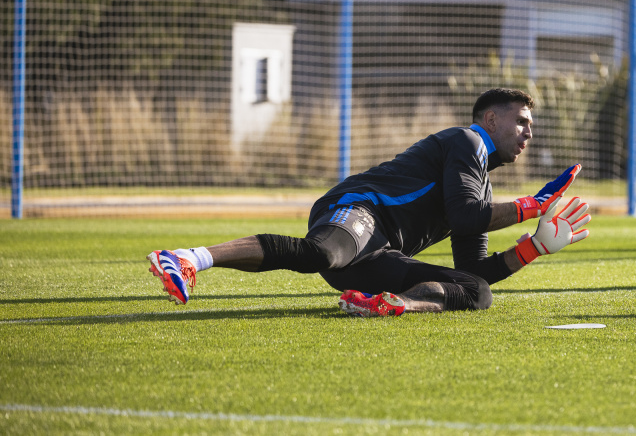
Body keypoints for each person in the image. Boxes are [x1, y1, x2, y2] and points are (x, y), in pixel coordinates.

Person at [147, 88, 591, 317]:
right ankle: (188, 259)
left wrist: (533, 248)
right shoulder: (470, 140)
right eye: (521, 122)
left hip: (380, 251)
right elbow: (464, 216)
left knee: (477, 293)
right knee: (322, 252)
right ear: (491, 119)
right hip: (360, 209)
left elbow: (471, 270)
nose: (528, 133)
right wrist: (533, 205)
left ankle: (393, 305)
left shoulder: (481, 185)